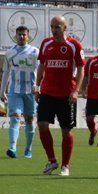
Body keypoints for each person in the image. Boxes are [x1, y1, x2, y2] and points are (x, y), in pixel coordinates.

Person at [35, 16, 85, 176]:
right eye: (52, 27)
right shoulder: (45, 44)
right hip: (47, 92)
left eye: (57, 26)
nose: (54, 30)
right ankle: (52, 160)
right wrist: (37, 87)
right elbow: (41, 66)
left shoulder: (74, 45)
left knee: (66, 131)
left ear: (65, 28)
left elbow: (81, 69)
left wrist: (76, 90)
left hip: (66, 95)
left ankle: (65, 166)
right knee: (42, 125)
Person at [0, 25, 39, 159]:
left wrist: (39, 87)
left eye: (24, 35)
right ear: (16, 36)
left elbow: (41, 72)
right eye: (19, 34)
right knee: (15, 118)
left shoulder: (35, 52)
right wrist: (1, 90)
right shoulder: (10, 52)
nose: (21, 37)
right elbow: (6, 72)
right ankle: (12, 148)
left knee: (29, 120)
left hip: (31, 92)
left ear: (28, 36)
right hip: (15, 91)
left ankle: (28, 149)